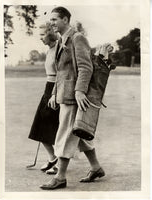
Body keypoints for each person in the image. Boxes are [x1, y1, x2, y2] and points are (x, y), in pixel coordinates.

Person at [40, 6, 105, 190]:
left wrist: (79, 91)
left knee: (65, 134)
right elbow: (62, 71)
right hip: (64, 94)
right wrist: (53, 93)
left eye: (54, 19)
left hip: (74, 96)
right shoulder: (62, 40)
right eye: (51, 20)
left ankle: (60, 177)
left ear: (65, 20)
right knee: (79, 132)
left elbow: (86, 67)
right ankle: (96, 167)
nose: (51, 23)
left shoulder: (77, 38)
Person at [28, 22, 59, 174]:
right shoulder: (49, 50)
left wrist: (54, 93)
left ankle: (58, 163)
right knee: (40, 127)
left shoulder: (60, 48)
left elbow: (63, 75)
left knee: (55, 129)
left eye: (42, 34)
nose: (40, 38)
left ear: (51, 33)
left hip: (57, 91)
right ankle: (53, 158)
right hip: (48, 88)